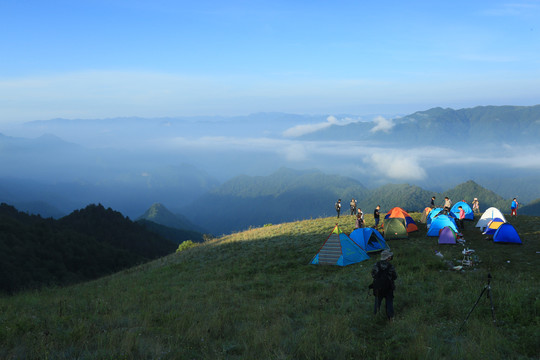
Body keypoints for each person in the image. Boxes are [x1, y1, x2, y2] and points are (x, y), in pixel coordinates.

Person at [370, 250, 397, 321]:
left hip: (378, 288)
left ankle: (375, 317)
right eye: (390, 256)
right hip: (389, 288)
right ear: (387, 258)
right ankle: (391, 318)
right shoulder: (390, 266)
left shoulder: (376, 265)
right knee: (389, 303)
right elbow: (395, 276)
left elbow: (373, 274)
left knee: (377, 302)